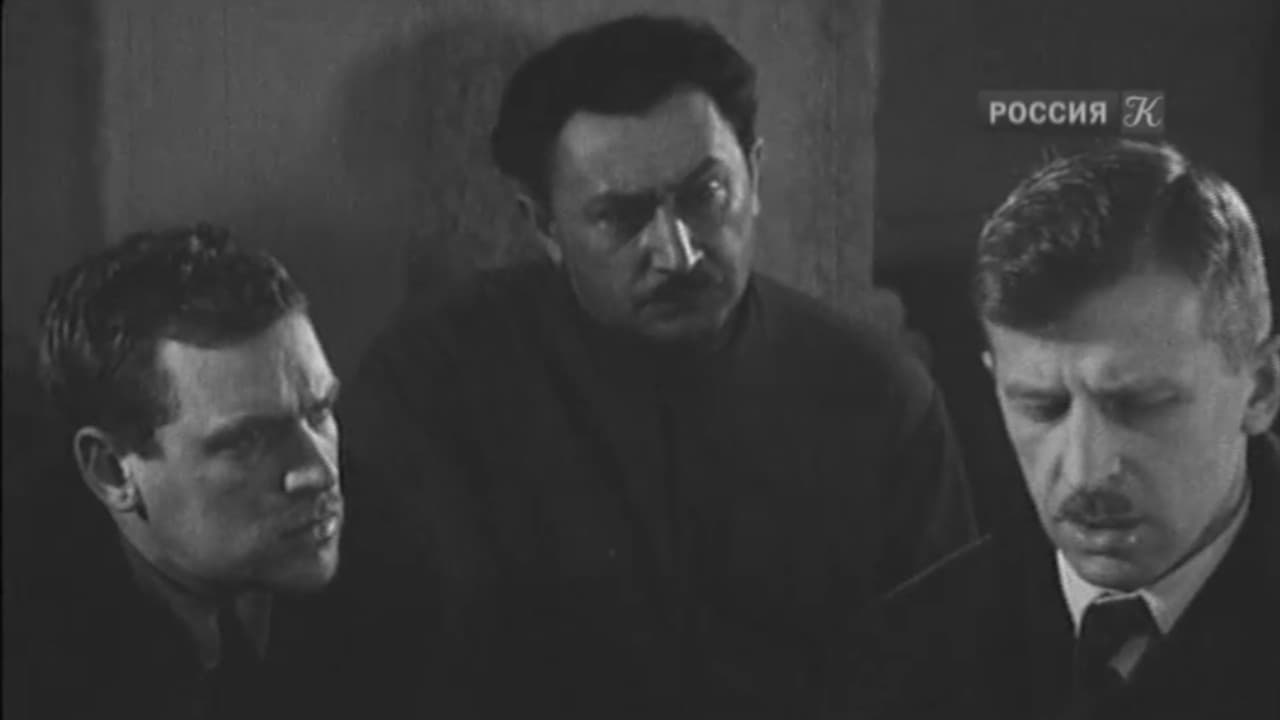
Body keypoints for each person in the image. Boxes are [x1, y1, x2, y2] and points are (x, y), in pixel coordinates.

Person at [341, 13, 975, 718]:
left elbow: (947, 679)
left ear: (755, 174)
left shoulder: (878, 398)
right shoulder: (435, 383)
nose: (678, 253)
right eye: (620, 216)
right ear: (545, 226)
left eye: (706, 196)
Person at [844, 141, 1280, 719]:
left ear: (1261, 389)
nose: (1084, 471)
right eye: (1042, 407)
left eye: (1139, 405)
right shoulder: (905, 655)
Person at [4, 225, 349, 720]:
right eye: (248, 441)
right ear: (112, 472)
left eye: (319, 412)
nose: (318, 471)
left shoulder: (398, 559)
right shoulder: (34, 666)